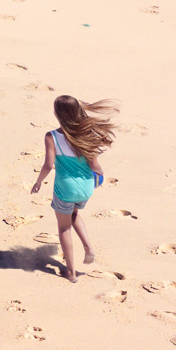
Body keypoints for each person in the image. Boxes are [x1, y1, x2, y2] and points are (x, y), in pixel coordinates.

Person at [29, 95, 117, 282]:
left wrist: (38, 182)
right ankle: (88, 247)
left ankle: (71, 273)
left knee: (64, 228)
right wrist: (99, 178)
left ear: (57, 114)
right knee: (74, 213)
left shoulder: (52, 137)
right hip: (86, 187)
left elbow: (48, 165)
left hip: (65, 189)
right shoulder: (87, 134)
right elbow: (95, 165)